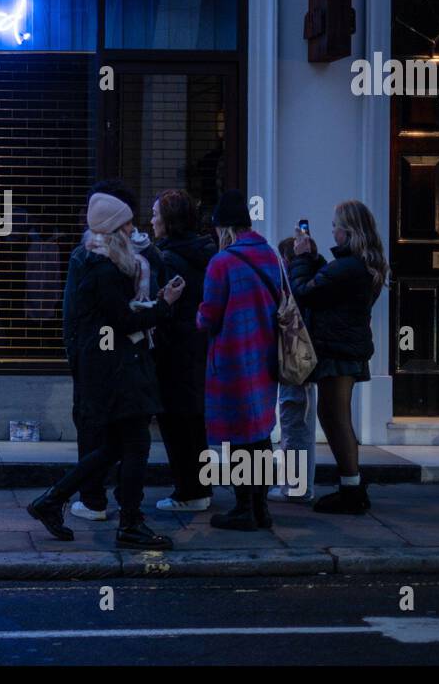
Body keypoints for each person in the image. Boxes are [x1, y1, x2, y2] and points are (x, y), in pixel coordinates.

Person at [29, 192, 183, 550]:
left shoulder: (102, 264)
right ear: (115, 229)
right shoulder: (106, 269)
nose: (134, 229)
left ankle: (52, 501)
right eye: (127, 223)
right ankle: (130, 523)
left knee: (112, 446)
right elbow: (124, 320)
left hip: (109, 367)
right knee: (135, 444)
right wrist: (163, 305)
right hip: (118, 370)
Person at [62, 179, 163, 523]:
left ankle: (88, 501)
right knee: (125, 440)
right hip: (128, 359)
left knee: (105, 436)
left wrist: (75, 355)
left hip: (107, 361)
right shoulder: (138, 257)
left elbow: (74, 315)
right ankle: (121, 508)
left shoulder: (89, 257)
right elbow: (126, 315)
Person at [288, 200, 388, 514]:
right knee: (334, 416)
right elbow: (327, 285)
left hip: (337, 350)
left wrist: (301, 258)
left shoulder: (349, 267)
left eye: (336, 226)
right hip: (343, 347)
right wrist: (314, 257)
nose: (333, 230)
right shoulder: (356, 265)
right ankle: (351, 485)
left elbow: (303, 290)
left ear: (349, 231)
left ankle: (352, 489)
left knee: (336, 417)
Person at [197, 190, 281, 532]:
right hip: (265, 356)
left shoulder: (222, 262)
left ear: (225, 229)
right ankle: (260, 508)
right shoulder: (271, 255)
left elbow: (209, 317)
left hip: (233, 359)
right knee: (259, 433)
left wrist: (195, 316)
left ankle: (244, 508)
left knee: (236, 437)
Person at [150, 188, 217, 513]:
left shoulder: (167, 257)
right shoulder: (205, 252)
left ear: (169, 221)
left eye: (156, 215)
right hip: (200, 347)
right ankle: (199, 488)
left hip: (174, 349)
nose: (151, 221)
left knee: (176, 424)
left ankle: (189, 492)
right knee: (194, 423)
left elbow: (165, 308)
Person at [268, 235, 318, 504]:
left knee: (295, 419)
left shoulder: (299, 284)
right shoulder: (311, 279)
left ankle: (296, 487)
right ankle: (296, 485)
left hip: (297, 363)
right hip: (300, 363)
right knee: (295, 419)